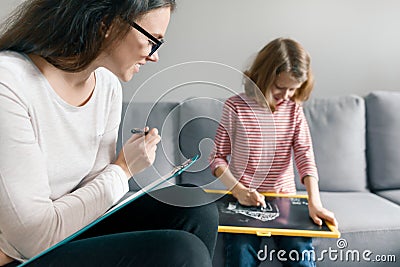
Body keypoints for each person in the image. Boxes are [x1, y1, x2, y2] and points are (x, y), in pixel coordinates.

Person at [0, 0, 218, 266]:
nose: (154, 56)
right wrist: (124, 169)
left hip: (65, 233)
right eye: (153, 41)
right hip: (19, 254)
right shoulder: (9, 83)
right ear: (108, 24)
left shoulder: (107, 87)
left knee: (194, 204)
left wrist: (118, 171)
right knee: (181, 252)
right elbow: (32, 237)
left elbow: (96, 199)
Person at [210, 38, 338, 267]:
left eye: (293, 89)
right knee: (240, 255)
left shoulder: (293, 110)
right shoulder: (235, 107)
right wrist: (239, 191)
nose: (286, 95)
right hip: (243, 203)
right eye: (280, 87)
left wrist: (314, 202)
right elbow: (217, 158)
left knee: (300, 255)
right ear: (263, 76)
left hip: (285, 200)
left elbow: (305, 156)